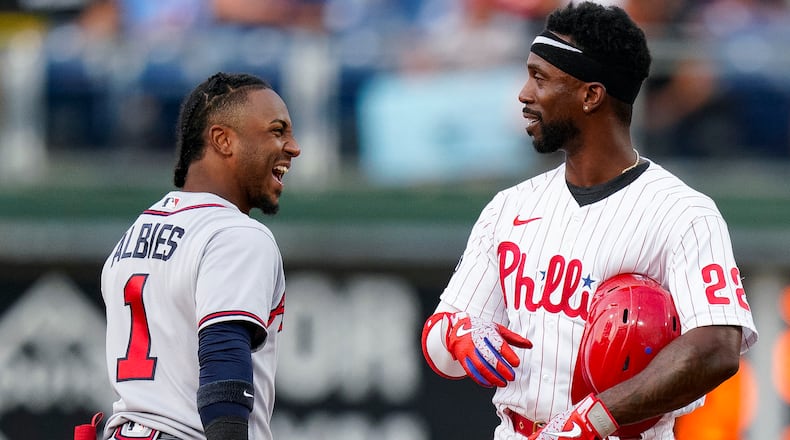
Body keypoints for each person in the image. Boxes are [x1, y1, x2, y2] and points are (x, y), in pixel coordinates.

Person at [420, 3, 758, 440]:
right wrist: (461, 333)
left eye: (539, 78)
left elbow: (717, 348)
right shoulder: (509, 206)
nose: (523, 94)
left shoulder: (683, 212)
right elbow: (439, 337)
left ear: (590, 95)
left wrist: (597, 417)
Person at [98, 72, 300, 440]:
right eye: (277, 131)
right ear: (223, 140)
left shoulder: (136, 231)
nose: (293, 147)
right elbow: (224, 365)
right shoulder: (236, 233)